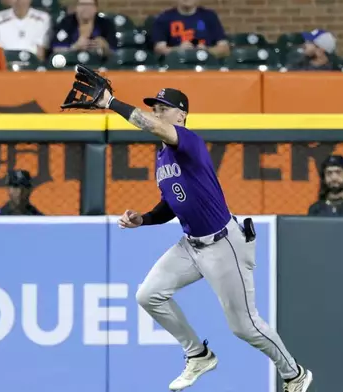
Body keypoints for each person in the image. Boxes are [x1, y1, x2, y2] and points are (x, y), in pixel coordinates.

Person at [96, 86, 313, 392]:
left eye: (163, 107)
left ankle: (294, 374)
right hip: (191, 244)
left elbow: (151, 125)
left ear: (181, 115)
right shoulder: (161, 155)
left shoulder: (189, 141)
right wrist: (142, 219)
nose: (157, 111)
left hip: (223, 244)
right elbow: (170, 204)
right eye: (155, 107)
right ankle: (198, 354)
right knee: (148, 295)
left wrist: (110, 103)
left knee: (245, 327)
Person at [50, 0, 116, 58]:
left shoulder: (105, 24)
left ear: (96, 8)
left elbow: (116, 52)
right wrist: (74, 47)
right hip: (70, 66)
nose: (86, 8)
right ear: (76, 7)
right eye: (82, 4)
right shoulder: (66, 23)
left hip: (99, 66)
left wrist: (105, 46)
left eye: (89, 5)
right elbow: (55, 48)